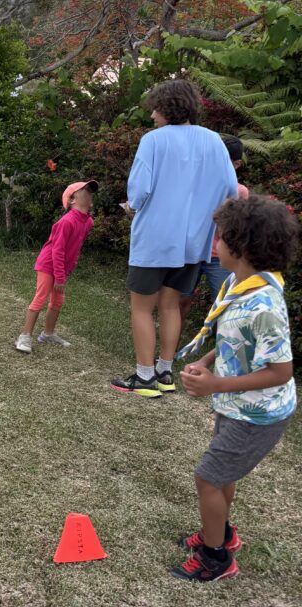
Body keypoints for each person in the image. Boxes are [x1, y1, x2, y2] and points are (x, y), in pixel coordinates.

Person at [172, 195, 298, 581]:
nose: (215, 246)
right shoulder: (237, 282)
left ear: (241, 248)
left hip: (258, 415)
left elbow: (281, 371)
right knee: (221, 474)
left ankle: (216, 559)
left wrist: (215, 384)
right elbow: (232, 337)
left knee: (208, 477)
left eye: (220, 238)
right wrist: (206, 361)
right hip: (234, 404)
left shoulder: (263, 304)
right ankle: (222, 534)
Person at [110, 80, 238, 398]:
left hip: (154, 240)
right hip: (194, 244)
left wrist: (131, 208)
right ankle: (165, 372)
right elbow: (232, 194)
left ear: (167, 108)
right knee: (170, 307)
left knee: (141, 307)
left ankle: (144, 378)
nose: (152, 115)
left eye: (155, 108)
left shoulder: (154, 141)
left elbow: (139, 192)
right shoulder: (214, 142)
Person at [15, 180, 97, 353]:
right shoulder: (66, 222)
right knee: (41, 298)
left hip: (62, 267)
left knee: (58, 300)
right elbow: (57, 251)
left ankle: (48, 334)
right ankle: (25, 337)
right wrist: (59, 276)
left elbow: (76, 247)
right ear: (72, 200)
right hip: (48, 263)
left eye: (91, 190)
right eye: (85, 190)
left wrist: (68, 269)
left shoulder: (88, 222)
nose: (90, 192)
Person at [179, 134, 249, 320]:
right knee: (179, 302)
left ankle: (224, 348)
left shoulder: (240, 192)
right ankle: (170, 350)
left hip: (220, 258)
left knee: (223, 309)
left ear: (237, 164)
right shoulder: (196, 184)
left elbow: (237, 228)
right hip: (191, 252)